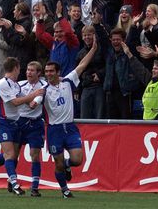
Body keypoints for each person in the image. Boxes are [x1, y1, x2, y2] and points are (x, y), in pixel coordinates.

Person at [31, 40, 98, 198]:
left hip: (70, 128)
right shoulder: (44, 90)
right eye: (46, 72)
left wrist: (94, 49)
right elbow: (36, 102)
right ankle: (65, 190)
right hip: (54, 130)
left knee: (77, 160)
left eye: (51, 71)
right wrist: (33, 102)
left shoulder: (67, 82)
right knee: (58, 163)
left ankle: (69, 166)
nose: (48, 74)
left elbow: (82, 65)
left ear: (57, 72)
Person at [0, 61, 47, 197]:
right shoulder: (2, 84)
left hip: (20, 123)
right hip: (4, 122)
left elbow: (24, 100)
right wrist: (34, 95)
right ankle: (15, 183)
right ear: (16, 68)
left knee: (15, 155)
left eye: (31, 70)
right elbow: (15, 102)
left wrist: (33, 99)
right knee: (11, 155)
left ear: (38, 73)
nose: (26, 72)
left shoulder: (16, 85)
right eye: (25, 69)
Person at [121, 42, 158, 120]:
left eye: (155, 69)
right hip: (147, 119)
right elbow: (140, 69)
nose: (153, 70)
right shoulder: (150, 81)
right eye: (153, 68)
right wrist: (129, 54)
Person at [36, 2, 80, 77]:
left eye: (60, 31)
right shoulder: (53, 43)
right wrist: (41, 17)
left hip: (68, 80)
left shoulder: (72, 42)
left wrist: (59, 15)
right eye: (56, 32)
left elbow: (68, 32)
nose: (58, 34)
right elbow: (40, 35)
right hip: (54, 79)